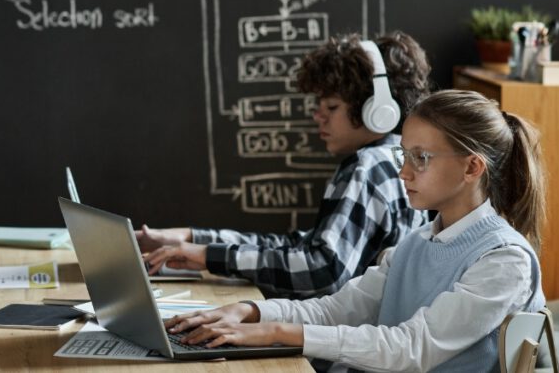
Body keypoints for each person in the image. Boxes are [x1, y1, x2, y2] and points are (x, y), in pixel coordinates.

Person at [164, 90, 547, 372]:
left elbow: (413, 347)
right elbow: (337, 309)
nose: (404, 172)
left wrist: (280, 331)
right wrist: (249, 311)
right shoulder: (416, 244)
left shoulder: (504, 260)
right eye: (404, 155)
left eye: (421, 158)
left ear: (472, 168)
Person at [141, 31, 431, 298]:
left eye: (331, 107)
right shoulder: (392, 158)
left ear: (377, 111)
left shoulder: (365, 169)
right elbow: (301, 247)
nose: (318, 116)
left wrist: (207, 256)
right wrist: (195, 240)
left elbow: (322, 270)